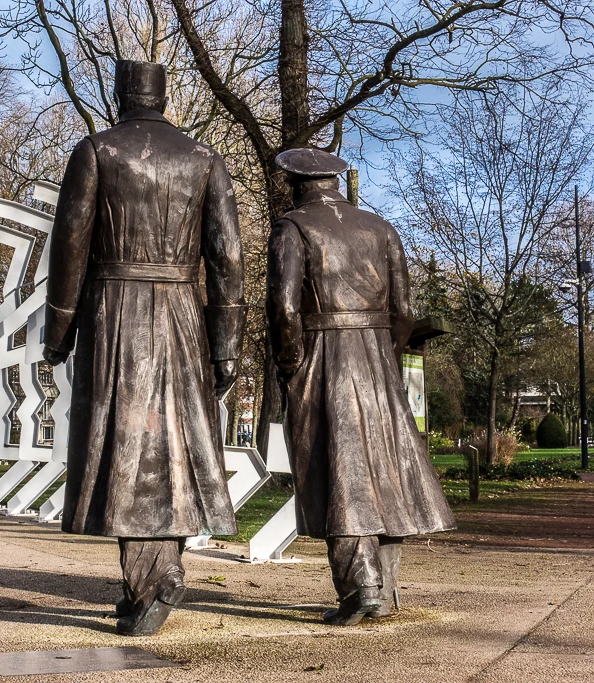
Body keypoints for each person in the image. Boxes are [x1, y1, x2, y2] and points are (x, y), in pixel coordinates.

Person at [42, 60, 246, 636]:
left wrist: (59, 331)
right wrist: (225, 343)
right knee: (170, 448)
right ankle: (153, 578)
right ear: (164, 97)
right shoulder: (205, 159)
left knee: (127, 450)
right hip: (182, 313)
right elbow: (227, 258)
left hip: (115, 312)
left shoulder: (97, 151)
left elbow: (70, 247)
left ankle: (153, 580)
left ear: (119, 94)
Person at [266, 148, 456, 626]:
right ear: (333, 182)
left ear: (295, 183)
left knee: (336, 468)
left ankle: (361, 588)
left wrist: (290, 362)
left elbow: (285, 308)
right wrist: (385, 355)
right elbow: (405, 310)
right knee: (383, 469)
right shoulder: (380, 227)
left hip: (322, 354)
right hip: (375, 355)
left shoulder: (294, 228)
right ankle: (383, 587)